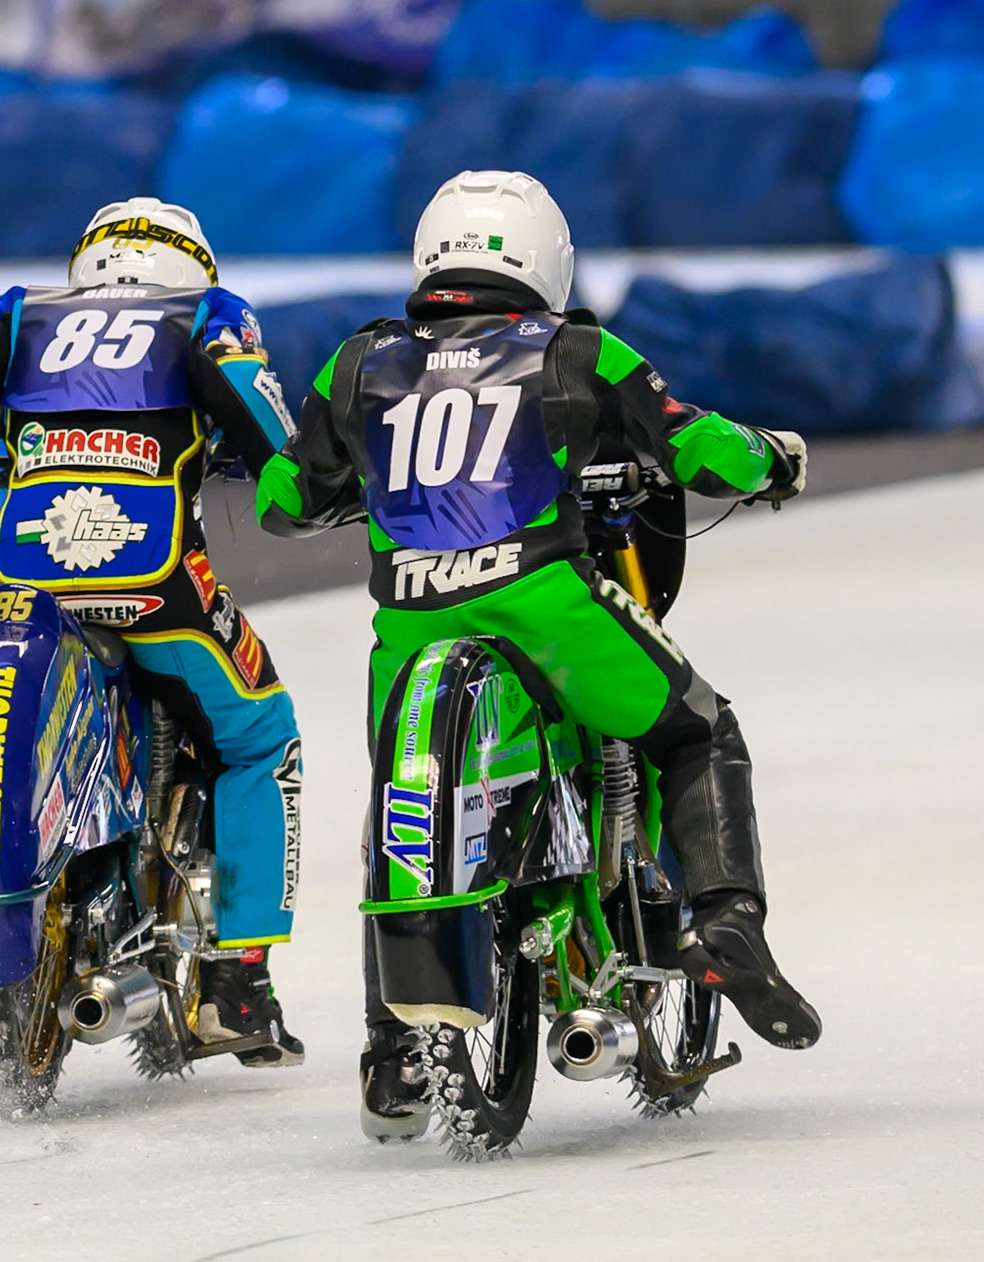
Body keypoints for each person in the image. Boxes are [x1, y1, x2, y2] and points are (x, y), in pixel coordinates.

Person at [255, 170, 821, 1127]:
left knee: (399, 801)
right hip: (547, 607)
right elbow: (694, 447)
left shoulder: (358, 363)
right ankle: (727, 921)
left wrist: (371, 486)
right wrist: (775, 459)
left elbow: (282, 500)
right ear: (546, 259)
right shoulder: (574, 350)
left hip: (413, 633)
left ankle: (393, 1052)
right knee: (698, 730)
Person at [0, 198, 307, 1066]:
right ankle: (238, 982)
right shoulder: (208, 313)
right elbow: (261, 419)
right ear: (194, 264)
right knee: (263, 736)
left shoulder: (22, 310)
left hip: (21, 583)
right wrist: (292, 483)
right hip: (153, 590)